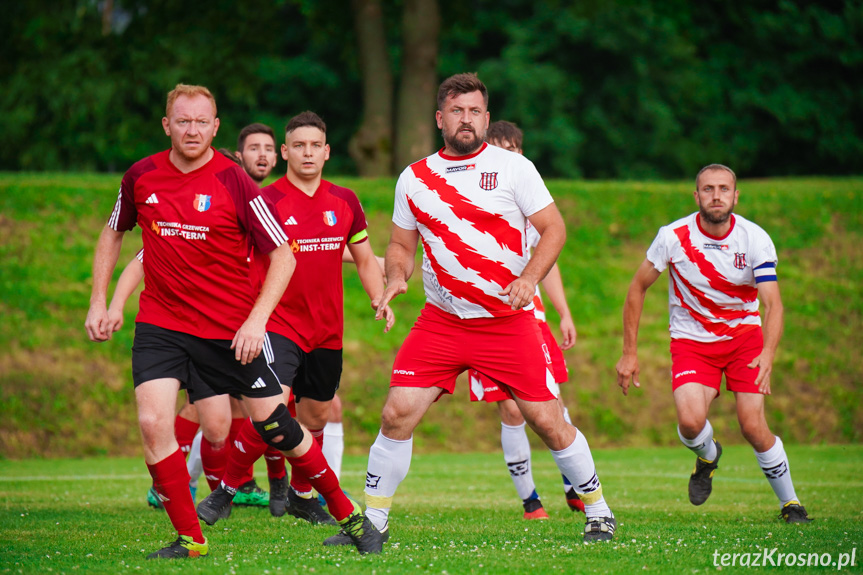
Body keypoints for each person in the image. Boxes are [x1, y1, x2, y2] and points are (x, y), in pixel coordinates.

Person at [86, 84, 382, 558]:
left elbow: (283, 255)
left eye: (202, 121)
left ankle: (349, 516)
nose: (192, 130)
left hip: (229, 330)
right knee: (151, 420)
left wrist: (256, 321)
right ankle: (190, 538)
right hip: (161, 326)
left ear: (216, 126)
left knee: (277, 426)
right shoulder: (141, 176)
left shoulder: (235, 181)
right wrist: (101, 301)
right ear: (167, 125)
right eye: (182, 121)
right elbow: (115, 233)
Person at [330, 73, 616, 548]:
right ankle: (373, 524)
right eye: (458, 111)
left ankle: (599, 512)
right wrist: (398, 276)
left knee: (547, 421)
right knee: (396, 414)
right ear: (440, 118)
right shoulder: (414, 177)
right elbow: (401, 243)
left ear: (486, 117)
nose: (467, 120)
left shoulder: (513, 169)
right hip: (440, 323)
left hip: (506, 323)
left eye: (476, 111)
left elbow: (554, 229)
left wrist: (528, 278)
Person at [197, 110, 393, 528]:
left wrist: (381, 297)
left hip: (327, 330)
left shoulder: (345, 201)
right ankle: (227, 491)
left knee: (317, 416)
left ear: (327, 152)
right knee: (273, 409)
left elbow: (362, 258)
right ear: (286, 152)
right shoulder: (265, 202)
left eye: (314, 146)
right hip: (278, 325)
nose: (307, 153)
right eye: (298, 146)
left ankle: (303, 495)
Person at [615, 163, 811, 524]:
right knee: (690, 422)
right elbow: (637, 288)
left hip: (744, 340)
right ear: (696, 196)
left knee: (752, 425)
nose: (716, 195)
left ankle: (791, 504)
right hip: (692, 342)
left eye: (723, 189)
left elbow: (773, 303)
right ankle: (708, 456)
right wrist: (629, 353)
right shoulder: (672, 236)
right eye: (708, 189)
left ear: (736, 196)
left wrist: (768, 351)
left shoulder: (754, 238)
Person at [467, 120, 584, 520]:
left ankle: (575, 484)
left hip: (531, 319)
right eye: (503, 149)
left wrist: (564, 312)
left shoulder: (531, 200)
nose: (512, 156)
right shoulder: (474, 200)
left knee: (551, 402)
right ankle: (530, 500)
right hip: (484, 318)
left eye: (516, 149)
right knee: (512, 411)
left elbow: (546, 262)